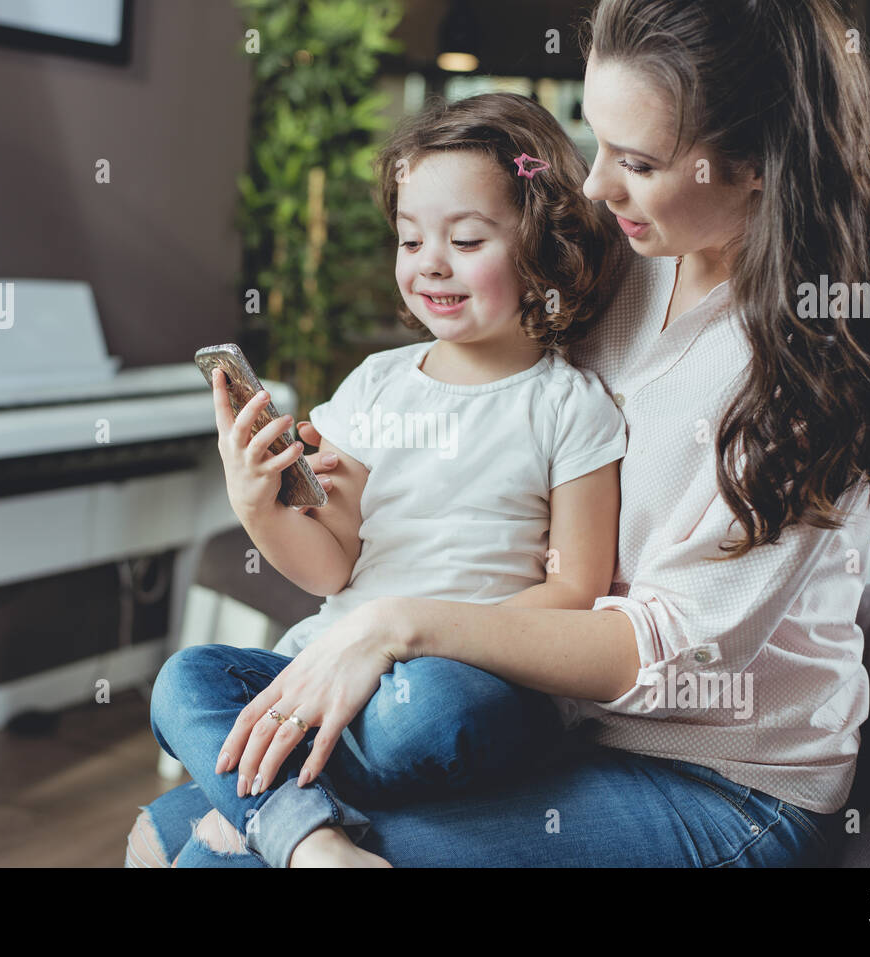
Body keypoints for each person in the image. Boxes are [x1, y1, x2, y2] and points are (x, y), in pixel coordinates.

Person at [128, 0, 870, 868]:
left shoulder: (813, 366)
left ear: (757, 163)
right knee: (170, 827)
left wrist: (399, 623)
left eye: (639, 162)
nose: (601, 188)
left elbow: (660, 651)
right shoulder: (620, 261)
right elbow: (493, 393)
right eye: (597, 141)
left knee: (213, 855)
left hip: (717, 778)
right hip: (547, 718)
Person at [159, 92, 630, 868]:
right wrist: (256, 501)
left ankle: (257, 810)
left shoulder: (570, 407)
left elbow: (577, 593)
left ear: (540, 245)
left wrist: (422, 633)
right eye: (411, 240)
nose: (431, 263)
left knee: (432, 711)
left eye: (467, 238)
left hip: (471, 681)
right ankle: (309, 840)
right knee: (187, 678)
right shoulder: (376, 386)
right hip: (337, 667)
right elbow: (328, 562)